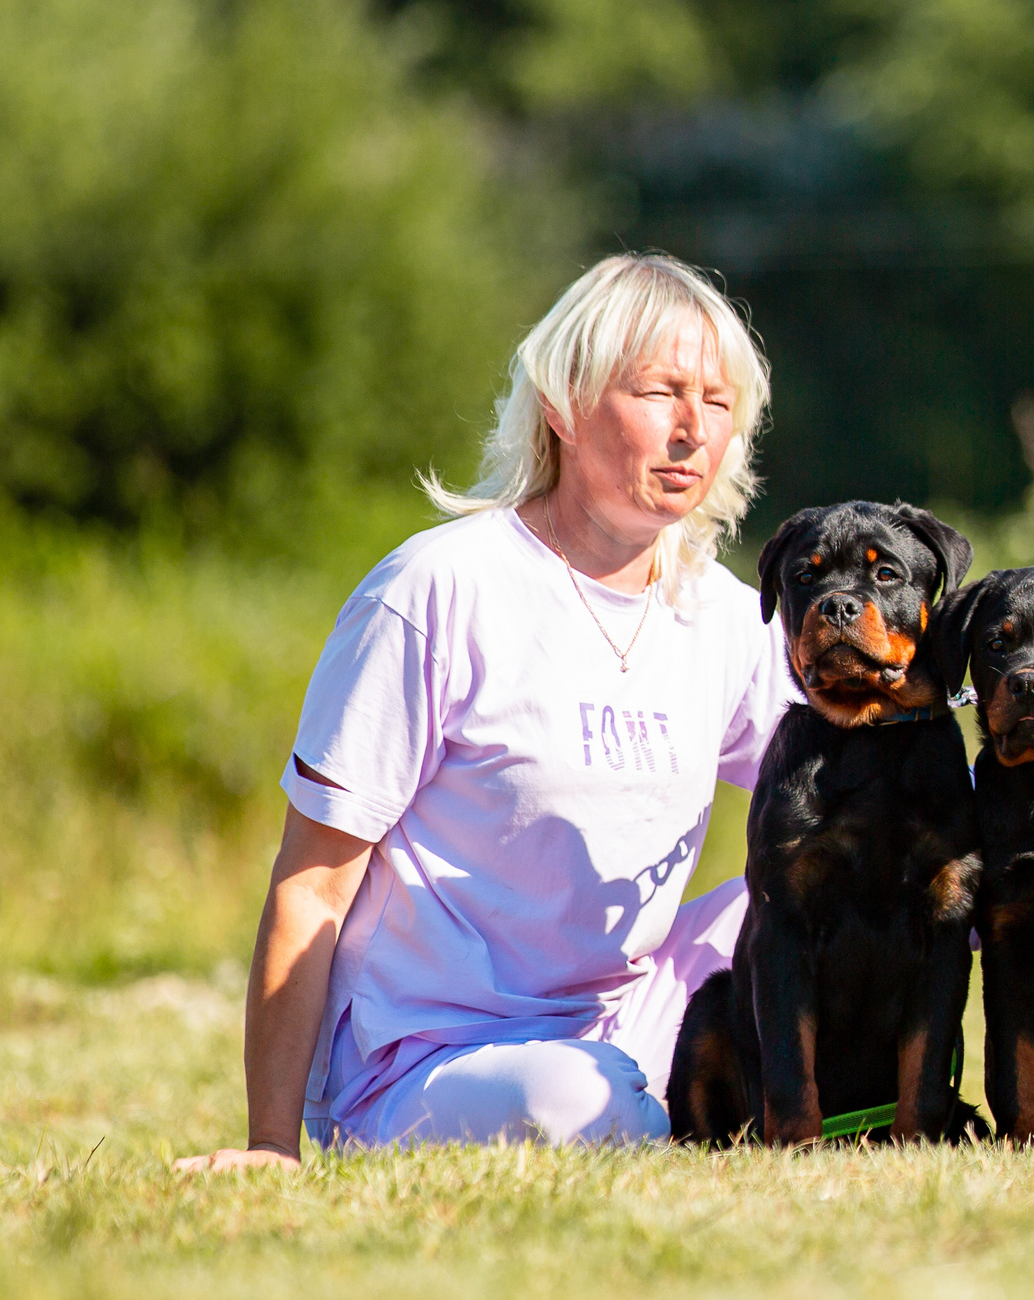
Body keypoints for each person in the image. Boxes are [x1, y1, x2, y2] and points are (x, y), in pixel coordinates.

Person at [177, 253, 794, 1167]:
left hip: (630, 1020)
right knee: (574, 1100)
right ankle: (693, 1111)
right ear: (564, 403)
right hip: (429, 1059)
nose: (691, 428)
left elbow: (859, 780)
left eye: (716, 401)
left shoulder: (725, 615)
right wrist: (271, 1142)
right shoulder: (436, 590)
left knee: (847, 881)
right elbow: (311, 881)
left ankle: (830, 1109)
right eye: (660, 391)